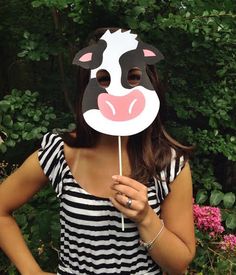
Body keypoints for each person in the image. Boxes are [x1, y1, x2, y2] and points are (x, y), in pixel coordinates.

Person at [0, 28, 196, 275]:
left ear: (150, 80)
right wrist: (31, 271)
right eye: (103, 79)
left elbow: (179, 265)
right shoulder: (62, 152)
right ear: (86, 85)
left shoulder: (169, 163)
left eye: (133, 76)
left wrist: (146, 218)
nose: (118, 90)